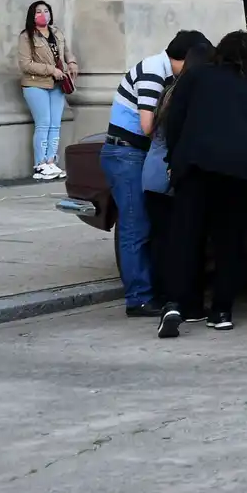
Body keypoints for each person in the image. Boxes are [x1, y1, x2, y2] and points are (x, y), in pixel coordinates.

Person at [157, 31, 247, 337]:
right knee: (230, 243)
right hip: (238, 173)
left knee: (186, 238)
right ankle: (222, 310)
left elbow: (175, 121)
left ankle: (179, 303)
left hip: (195, 167)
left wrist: (175, 160)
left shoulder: (197, 77)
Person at [101, 30, 209, 318]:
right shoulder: (153, 71)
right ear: (184, 59)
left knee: (144, 226)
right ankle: (138, 298)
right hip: (126, 152)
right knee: (135, 228)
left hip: (133, 152)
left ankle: (150, 291)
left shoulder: (163, 72)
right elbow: (148, 125)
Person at [141, 38, 215, 313]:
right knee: (176, 241)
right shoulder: (188, 93)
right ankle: (173, 297)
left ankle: (162, 295)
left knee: (162, 239)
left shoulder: (172, 90)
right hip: (169, 173)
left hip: (154, 170)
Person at [17, 0, 78, 181]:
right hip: (36, 84)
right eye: (38, 11)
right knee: (43, 123)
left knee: (55, 124)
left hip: (57, 85)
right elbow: (25, 64)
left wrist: (72, 62)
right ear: (32, 15)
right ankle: (40, 164)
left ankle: (51, 161)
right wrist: (51, 70)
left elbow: (66, 51)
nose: (43, 14)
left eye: (46, 10)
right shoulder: (26, 36)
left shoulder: (56, 32)